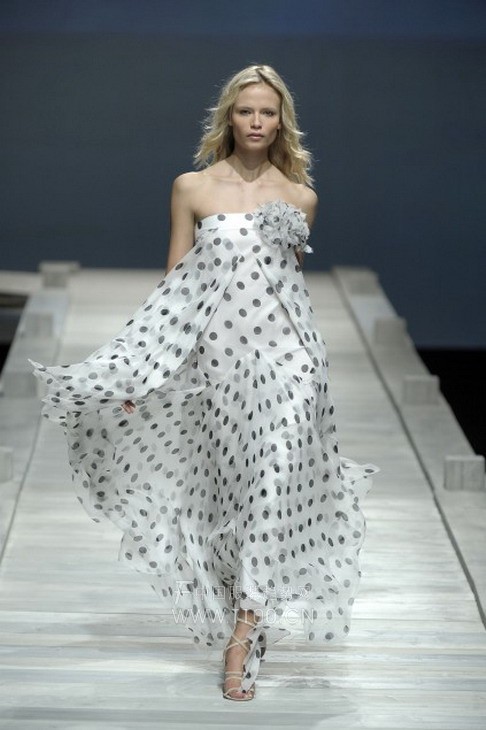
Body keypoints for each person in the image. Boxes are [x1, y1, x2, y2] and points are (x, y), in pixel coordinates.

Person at [30, 64, 378, 702]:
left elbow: (288, 288)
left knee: (274, 488)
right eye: (246, 111)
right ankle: (245, 603)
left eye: (267, 112)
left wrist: (304, 364)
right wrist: (146, 369)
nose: (256, 122)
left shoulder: (300, 197)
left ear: (281, 121)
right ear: (229, 117)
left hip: (291, 363)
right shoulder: (191, 188)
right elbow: (176, 289)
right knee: (228, 497)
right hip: (220, 364)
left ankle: (242, 639)